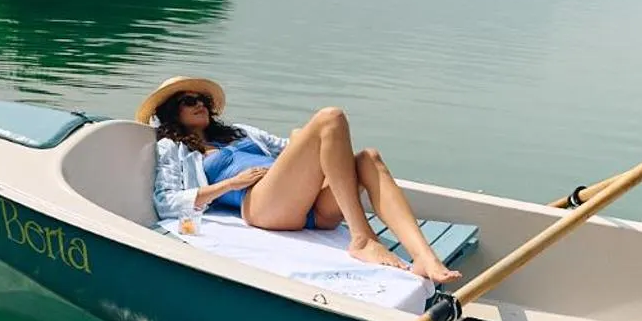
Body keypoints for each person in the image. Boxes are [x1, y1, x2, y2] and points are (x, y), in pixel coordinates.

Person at [136, 75, 459, 283]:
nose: (199, 105)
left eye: (203, 100)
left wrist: (301, 140)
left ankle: (424, 258)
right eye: (188, 101)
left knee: (368, 158)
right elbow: (165, 201)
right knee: (329, 117)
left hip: (305, 205)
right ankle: (362, 237)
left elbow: (295, 148)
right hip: (262, 206)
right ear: (170, 112)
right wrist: (229, 185)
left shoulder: (242, 132)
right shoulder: (173, 148)